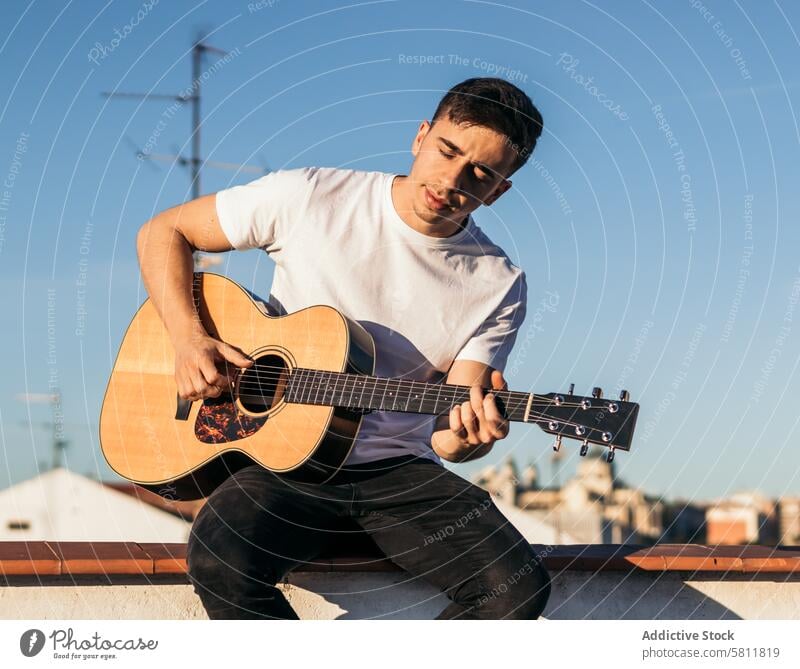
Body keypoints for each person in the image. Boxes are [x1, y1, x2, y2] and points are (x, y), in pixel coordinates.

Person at [136, 77, 551, 619]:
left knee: (515, 588)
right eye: (447, 151)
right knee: (220, 557)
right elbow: (163, 232)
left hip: (398, 474)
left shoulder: (498, 282)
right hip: (282, 464)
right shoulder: (312, 196)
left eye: (481, 173)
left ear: (499, 190)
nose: (452, 179)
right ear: (421, 136)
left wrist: (470, 440)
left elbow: (450, 433)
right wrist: (189, 339)